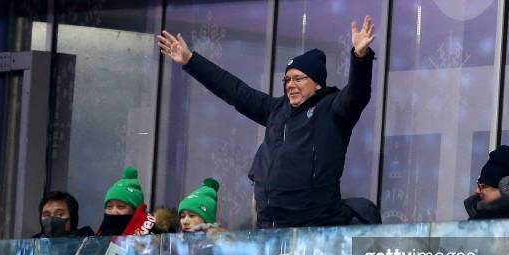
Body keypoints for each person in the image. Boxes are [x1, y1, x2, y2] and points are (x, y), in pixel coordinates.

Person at [157, 16, 376, 228]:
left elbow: (357, 94)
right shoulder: (277, 110)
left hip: (314, 230)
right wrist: (190, 60)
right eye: (287, 79)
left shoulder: (332, 108)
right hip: (269, 228)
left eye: (298, 78)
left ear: (317, 83)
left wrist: (360, 57)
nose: (290, 85)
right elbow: (234, 90)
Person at [97, 166, 156, 236]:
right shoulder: (99, 237)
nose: (114, 212)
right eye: (109, 206)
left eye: (121, 207)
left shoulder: (154, 235)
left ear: (135, 210)